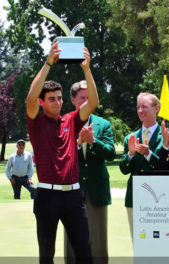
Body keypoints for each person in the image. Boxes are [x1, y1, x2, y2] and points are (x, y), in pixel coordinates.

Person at [26, 42, 98, 264]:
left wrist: (86, 70)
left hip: (74, 197)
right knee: (47, 255)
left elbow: (93, 102)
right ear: (42, 102)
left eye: (59, 98)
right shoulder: (36, 121)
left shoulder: (71, 119)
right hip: (47, 196)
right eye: (52, 99)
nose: (58, 102)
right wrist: (49, 62)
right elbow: (30, 98)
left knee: (85, 254)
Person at [64, 80, 116, 264]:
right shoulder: (65, 123)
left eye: (89, 98)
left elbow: (110, 153)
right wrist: (77, 144)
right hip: (72, 190)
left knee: (98, 239)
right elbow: (60, 156)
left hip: (97, 189)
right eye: (82, 98)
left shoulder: (103, 124)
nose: (86, 102)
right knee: (72, 240)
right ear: (73, 100)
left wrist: (94, 141)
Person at [119, 92, 163, 239]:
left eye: (144, 107)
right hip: (134, 197)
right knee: (138, 243)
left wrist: (148, 154)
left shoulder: (166, 136)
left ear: (156, 108)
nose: (140, 111)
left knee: (159, 243)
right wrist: (130, 154)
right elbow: (124, 169)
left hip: (159, 198)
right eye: (138, 107)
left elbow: (165, 166)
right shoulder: (130, 138)